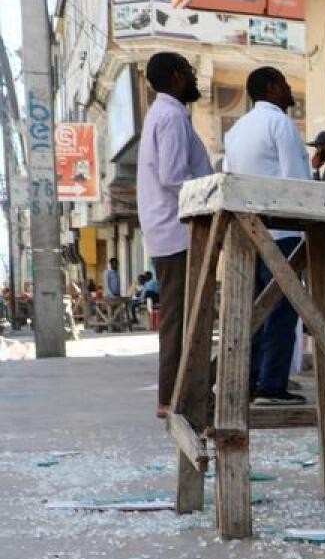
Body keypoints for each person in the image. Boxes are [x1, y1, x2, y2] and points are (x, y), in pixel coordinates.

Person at [223, 66, 310, 406]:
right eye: (286, 84)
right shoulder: (279, 123)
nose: (290, 91)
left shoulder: (236, 130)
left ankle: (253, 378)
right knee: (281, 309)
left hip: (248, 232)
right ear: (273, 87)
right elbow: (295, 181)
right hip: (282, 231)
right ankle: (272, 384)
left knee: (255, 309)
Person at [137, 51, 215, 419]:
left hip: (173, 229)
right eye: (188, 72)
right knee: (180, 318)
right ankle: (171, 396)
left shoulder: (167, 114)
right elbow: (173, 177)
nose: (193, 79)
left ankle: (183, 391)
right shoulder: (169, 116)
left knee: (187, 316)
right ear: (175, 76)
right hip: (177, 230)